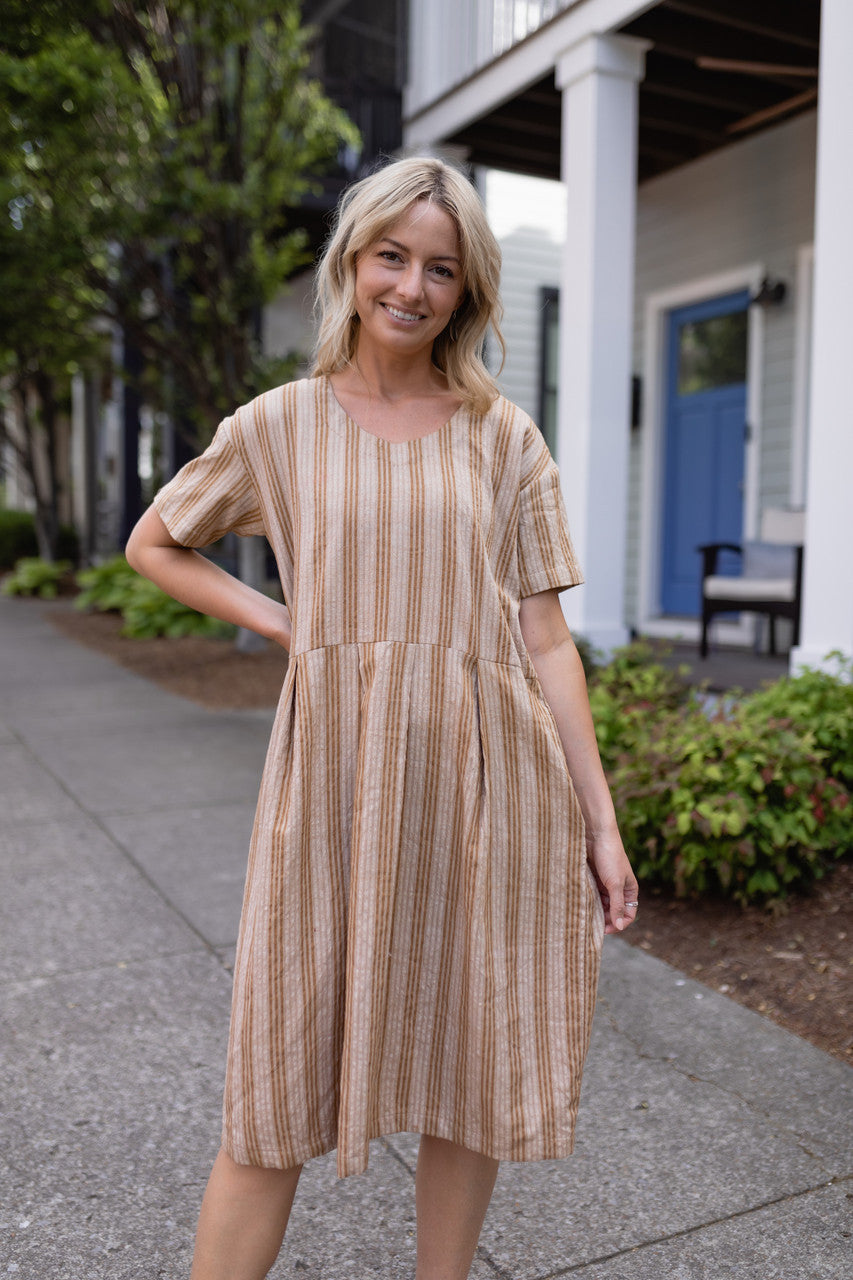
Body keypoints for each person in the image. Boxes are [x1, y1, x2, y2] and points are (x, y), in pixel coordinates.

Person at [126, 155, 638, 1280]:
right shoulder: (280, 423)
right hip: (333, 788)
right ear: (353, 264)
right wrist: (277, 616)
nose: (411, 286)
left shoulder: (502, 436)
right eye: (391, 257)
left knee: (467, 1057)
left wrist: (599, 822)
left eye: (440, 269)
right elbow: (155, 542)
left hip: (490, 785)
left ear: (468, 291)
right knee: (271, 1084)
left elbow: (546, 638)